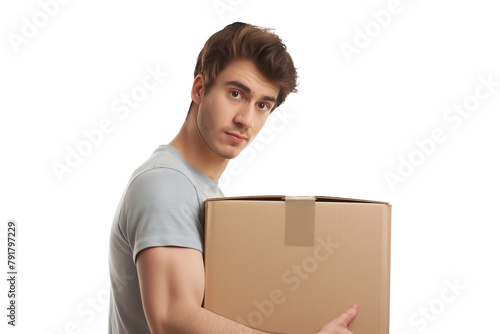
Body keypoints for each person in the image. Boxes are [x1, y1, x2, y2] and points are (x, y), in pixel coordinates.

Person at [108, 22, 359, 334]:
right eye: (236, 93)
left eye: (263, 105)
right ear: (199, 89)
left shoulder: (201, 190)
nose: (246, 120)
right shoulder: (166, 185)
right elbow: (172, 318)